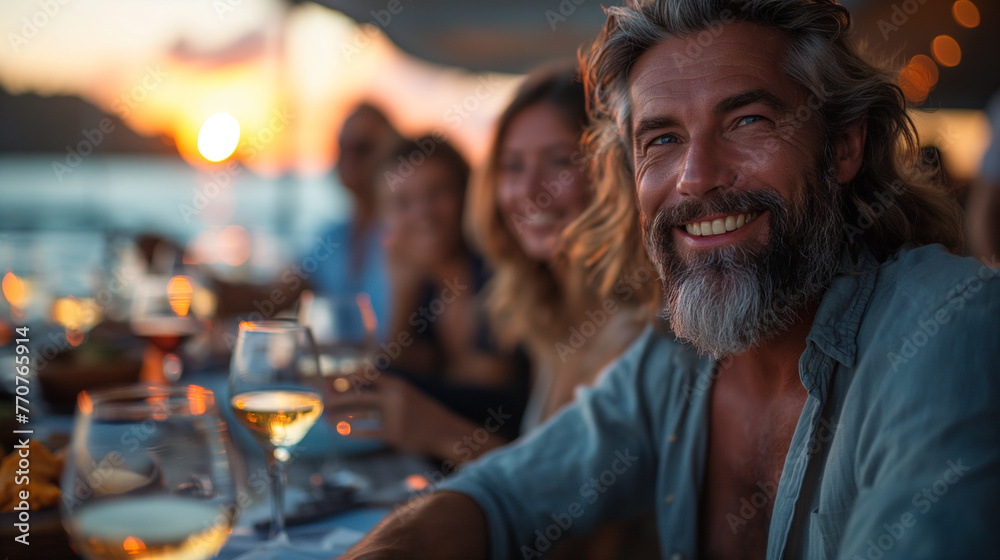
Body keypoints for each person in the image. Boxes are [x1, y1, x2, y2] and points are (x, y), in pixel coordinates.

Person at [335, 1, 1000, 559]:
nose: (696, 176)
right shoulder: (675, 359)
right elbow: (502, 496)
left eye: (747, 121)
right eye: (661, 139)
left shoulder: (948, 329)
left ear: (844, 145)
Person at [324, 137, 530, 458]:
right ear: (384, 220)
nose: (423, 214)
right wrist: (402, 288)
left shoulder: (501, 272)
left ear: (468, 196)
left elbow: (485, 389)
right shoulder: (428, 287)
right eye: (402, 203)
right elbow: (400, 365)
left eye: (437, 194)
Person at [310, 103, 401, 339]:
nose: (349, 158)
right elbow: (277, 294)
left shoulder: (412, 234)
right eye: (342, 147)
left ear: (393, 154)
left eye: (362, 148)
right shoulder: (333, 237)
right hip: (343, 372)